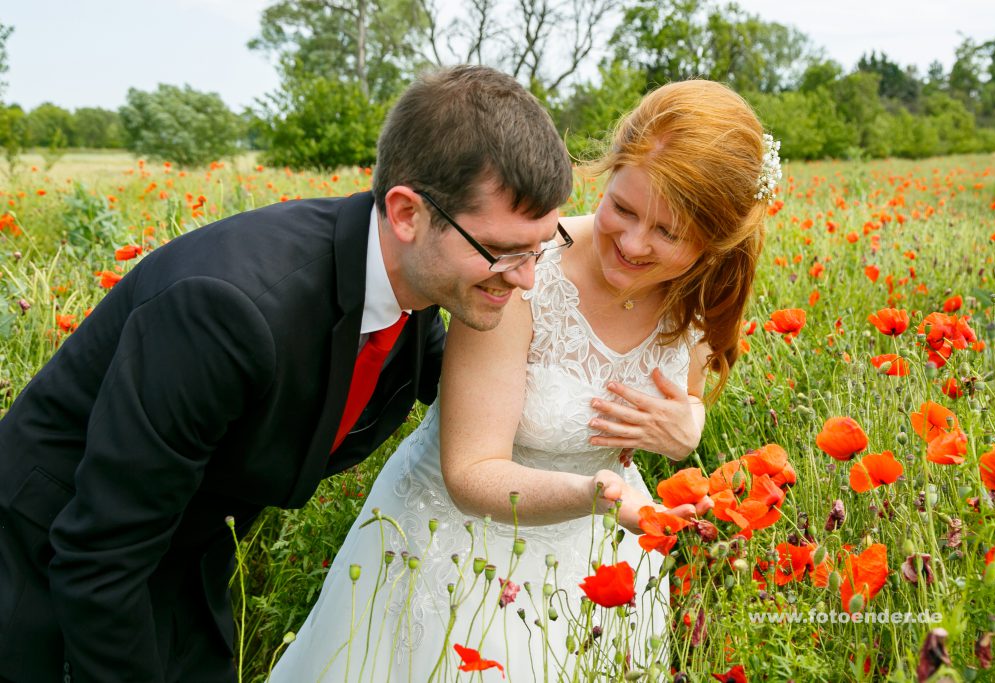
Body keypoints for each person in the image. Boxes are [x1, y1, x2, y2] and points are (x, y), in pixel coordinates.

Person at [0, 65, 572, 683]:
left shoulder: (420, 289)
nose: (525, 278)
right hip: (47, 571)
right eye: (502, 251)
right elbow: (101, 552)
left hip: (183, 564)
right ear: (407, 213)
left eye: (541, 246)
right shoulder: (228, 310)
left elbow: (505, 410)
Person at [269, 79, 777, 682]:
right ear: (606, 175)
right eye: (623, 208)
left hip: (601, 559)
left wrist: (688, 426)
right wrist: (599, 499)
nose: (634, 244)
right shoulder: (524, 270)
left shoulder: (700, 295)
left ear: (713, 241)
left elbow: (686, 398)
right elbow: (472, 472)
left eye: (668, 233)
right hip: (460, 547)